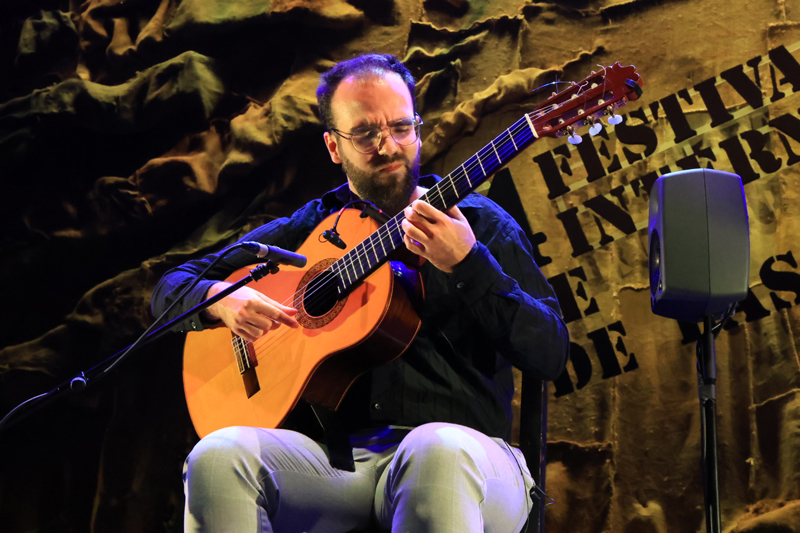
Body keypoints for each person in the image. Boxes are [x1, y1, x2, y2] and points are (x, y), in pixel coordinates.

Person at [151, 53, 569, 533]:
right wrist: (220, 299)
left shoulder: (478, 223)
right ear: (334, 146)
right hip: (340, 463)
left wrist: (468, 264)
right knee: (218, 457)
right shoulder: (312, 227)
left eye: (400, 127)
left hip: (468, 455)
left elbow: (551, 353)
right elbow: (170, 289)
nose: (389, 146)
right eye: (367, 134)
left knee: (434, 450)